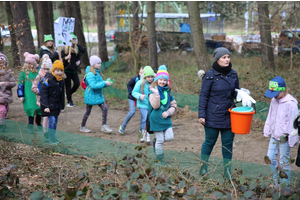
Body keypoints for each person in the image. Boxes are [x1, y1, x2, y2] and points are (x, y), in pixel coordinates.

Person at [198, 47, 241, 180]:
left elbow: (235, 92)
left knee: (227, 144)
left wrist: (242, 94)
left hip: (229, 116)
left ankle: (227, 171)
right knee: (209, 142)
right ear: (218, 59)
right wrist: (201, 115)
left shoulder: (233, 74)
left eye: (228, 57)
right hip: (212, 115)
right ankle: (203, 167)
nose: (227, 59)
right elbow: (203, 96)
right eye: (224, 57)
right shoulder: (210, 75)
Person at [264, 76, 299, 186]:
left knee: (284, 161)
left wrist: (293, 139)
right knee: (269, 158)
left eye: (275, 94)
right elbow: (270, 116)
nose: (274, 97)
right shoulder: (273, 100)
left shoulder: (291, 103)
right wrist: (267, 130)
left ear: (283, 90)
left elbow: (294, 123)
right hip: (274, 135)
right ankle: (276, 182)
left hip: (285, 137)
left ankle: (285, 186)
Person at [148, 65, 177, 166]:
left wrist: (169, 112)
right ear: (157, 80)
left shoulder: (168, 92)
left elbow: (174, 104)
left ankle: (156, 143)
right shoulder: (152, 92)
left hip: (166, 120)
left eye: (164, 80)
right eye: (160, 79)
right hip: (156, 119)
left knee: (170, 137)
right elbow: (155, 106)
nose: (162, 82)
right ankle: (159, 160)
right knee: (160, 141)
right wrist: (156, 94)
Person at [80, 55, 112, 133]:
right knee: (88, 111)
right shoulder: (90, 74)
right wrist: (104, 82)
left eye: (100, 63)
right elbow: (93, 86)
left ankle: (104, 126)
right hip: (90, 95)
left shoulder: (98, 72)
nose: (100, 65)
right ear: (93, 64)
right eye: (98, 63)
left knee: (105, 108)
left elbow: (99, 84)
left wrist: (106, 84)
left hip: (98, 95)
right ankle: (82, 126)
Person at [40, 60, 65, 144]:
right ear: (53, 70)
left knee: (55, 122)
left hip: (56, 106)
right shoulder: (47, 80)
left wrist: (62, 106)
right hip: (48, 106)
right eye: (57, 70)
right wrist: (46, 106)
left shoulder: (61, 81)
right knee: (52, 121)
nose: (59, 72)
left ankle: (52, 137)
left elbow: (62, 95)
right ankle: (52, 139)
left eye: (61, 71)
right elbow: (43, 94)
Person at [17, 52, 42, 134]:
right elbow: (20, 83)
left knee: (39, 109)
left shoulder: (39, 70)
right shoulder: (24, 71)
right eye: (26, 62)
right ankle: (30, 126)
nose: (27, 64)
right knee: (30, 109)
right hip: (28, 94)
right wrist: (21, 95)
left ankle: (39, 124)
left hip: (37, 93)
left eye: (29, 63)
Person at [61, 33, 86, 107]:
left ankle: (69, 94)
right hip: (67, 70)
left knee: (77, 83)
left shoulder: (77, 48)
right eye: (72, 39)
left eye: (74, 39)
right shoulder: (65, 49)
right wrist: (66, 58)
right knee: (68, 86)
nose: (74, 40)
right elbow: (61, 59)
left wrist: (79, 62)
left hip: (74, 70)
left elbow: (79, 57)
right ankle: (69, 101)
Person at [132, 65, 155, 143]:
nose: (150, 78)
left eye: (151, 77)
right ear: (145, 77)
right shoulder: (140, 83)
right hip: (142, 105)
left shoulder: (155, 82)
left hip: (151, 105)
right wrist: (140, 96)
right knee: (145, 118)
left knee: (148, 119)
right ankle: (145, 136)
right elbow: (133, 92)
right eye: (148, 77)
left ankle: (147, 136)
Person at [31, 54, 52, 136]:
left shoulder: (52, 77)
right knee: (46, 117)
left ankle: (50, 132)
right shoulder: (39, 77)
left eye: (48, 69)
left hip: (51, 99)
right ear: (42, 68)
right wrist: (41, 92)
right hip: (42, 100)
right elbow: (33, 88)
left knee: (51, 117)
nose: (46, 71)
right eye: (45, 69)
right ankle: (45, 133)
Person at [119, 66, 144, 134]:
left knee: (143, 113)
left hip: (142, 98)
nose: (141, 74)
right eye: (140, 72)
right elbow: (129, 85)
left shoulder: (147, 81)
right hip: (132, 98)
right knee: (132, 111)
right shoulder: (135, 79)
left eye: (143, 73)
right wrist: (132, 92)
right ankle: (123, 126)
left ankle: (142, 128)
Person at [0, 53, 16, 128]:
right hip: (0, 95)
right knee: (2, 111)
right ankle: (2, 127)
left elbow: (13, 82)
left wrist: (8, 84)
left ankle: (3, 123)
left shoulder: (9, 72)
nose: (2, 65)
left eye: (4, 63)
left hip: (7, 95)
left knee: (5, 110)